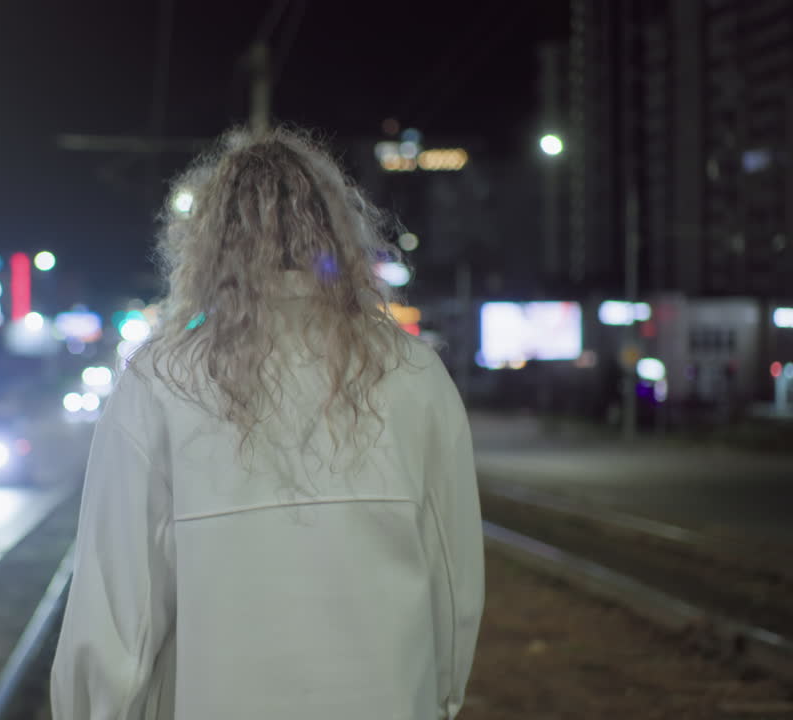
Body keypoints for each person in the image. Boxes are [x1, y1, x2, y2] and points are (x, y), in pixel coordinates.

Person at [51, 127, 484, 719]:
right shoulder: (414, 375)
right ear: (339, 230)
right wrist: (433, 703)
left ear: (207, 245)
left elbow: (112, 625)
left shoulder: (159, 384)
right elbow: (454, 593)